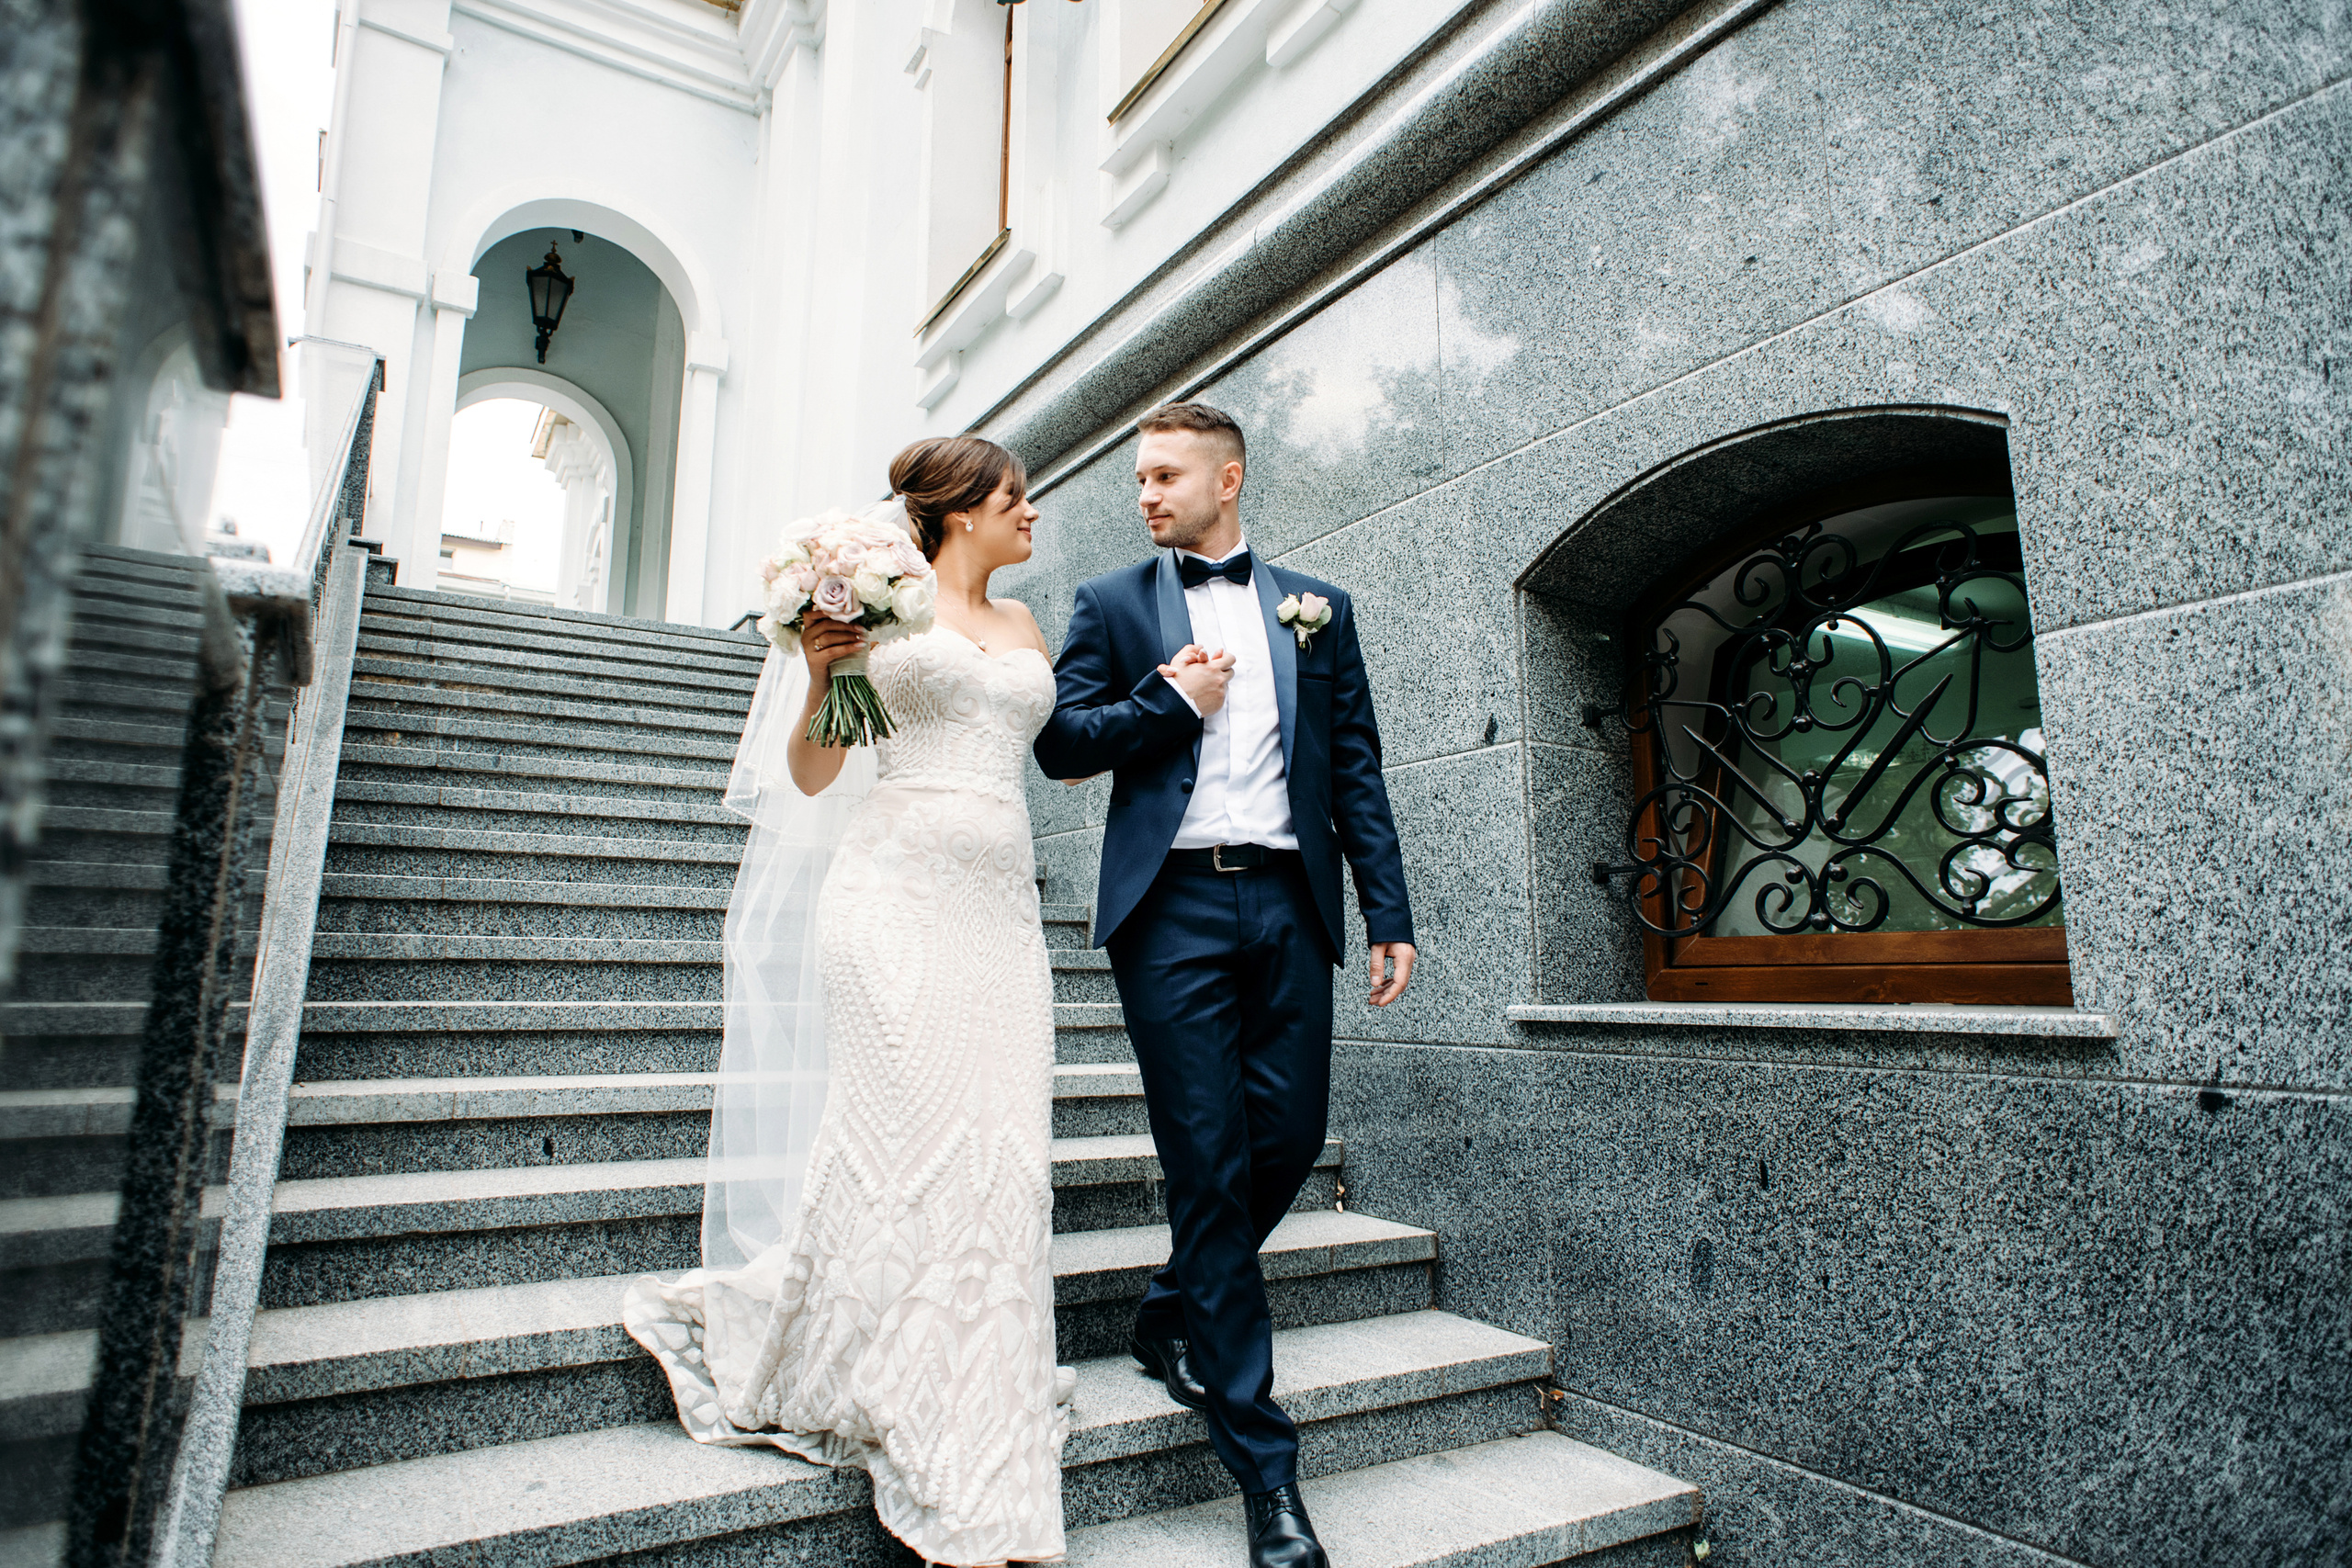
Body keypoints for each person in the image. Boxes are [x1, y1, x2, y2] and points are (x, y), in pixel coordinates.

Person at [626, 436, 1068, 1568]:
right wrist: (827, 672)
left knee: (997, 1148)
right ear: (959, 512)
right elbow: (817, 775)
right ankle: (900, 1384)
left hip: (998, 915)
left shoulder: (1023, 629)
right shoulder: (880, 612)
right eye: (1015, 498)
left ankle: (971, 1368)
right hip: (889, 899)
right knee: (905, 1135)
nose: (1032, 513)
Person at [1033, 401, 1417, 1568]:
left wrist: (1387, 909)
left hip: (1291, 903)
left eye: (1164, 475)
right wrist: (1166, 702)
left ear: (1228, 479)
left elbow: (1354, 760)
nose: (1144, 494)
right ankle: (1265, 1465)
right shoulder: (1111, 603)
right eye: (1138, 479)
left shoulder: (1317, 609)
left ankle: (1168, 1310)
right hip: (1173, 910)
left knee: (1287, 1136)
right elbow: (1059, 742)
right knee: (1206, 1159)